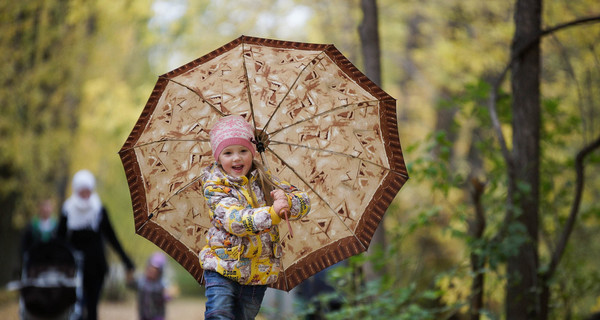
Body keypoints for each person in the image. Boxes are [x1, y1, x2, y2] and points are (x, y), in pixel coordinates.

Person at [199, 115, 311, 320]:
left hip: (257, 274)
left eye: (243, 150)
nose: (237, 158)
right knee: (219, 315)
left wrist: (287, 202)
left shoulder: (265, 180)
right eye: (228, 152)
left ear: (252, 152)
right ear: (218, 157)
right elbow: (235, 221)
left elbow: (304, 202)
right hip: (222, 267)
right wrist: (273, 213)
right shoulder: (215, 187)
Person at [57, 169, 135, 320]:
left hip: (96, 267)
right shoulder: (68, 210)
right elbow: (60, 239)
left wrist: (126, 261)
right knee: (77, 306)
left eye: (88, 191)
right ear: (77, 190)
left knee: (92, 307)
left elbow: (112, 237)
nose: (86, 195)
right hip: (74, 267)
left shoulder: (98, 209)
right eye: (82, 191)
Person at [128, 252, 171, 320]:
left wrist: (167, 295)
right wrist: (129, 272)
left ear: (160, 272)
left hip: (157, 315)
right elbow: (130, 284)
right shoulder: (141, 281)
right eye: (150, 269)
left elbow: (167, 295)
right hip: (144, 315)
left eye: (155, 271)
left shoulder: (161, 284)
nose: (151, 272)